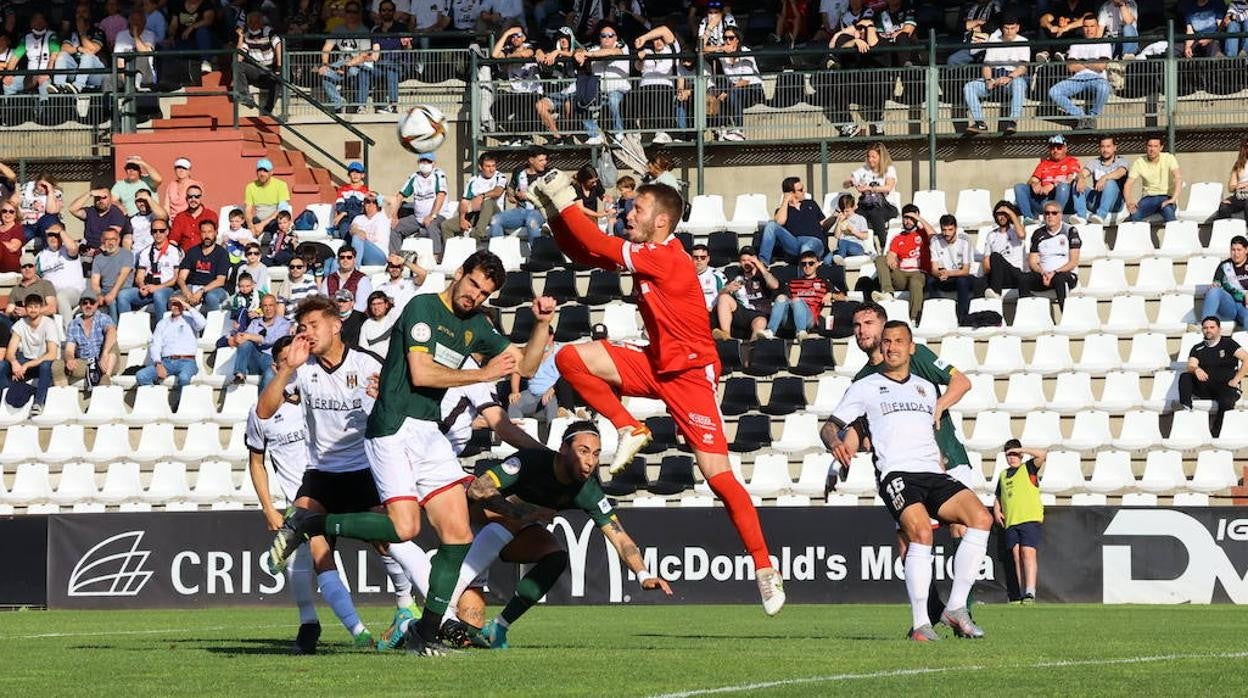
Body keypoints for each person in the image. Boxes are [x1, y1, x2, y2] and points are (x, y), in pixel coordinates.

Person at [530, 171, 787, 616]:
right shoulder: (648, 254)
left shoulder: (665, 257)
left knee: (718, 477)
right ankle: (628, 426)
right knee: (569, 358)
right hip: (656, 362)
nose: (629, 214)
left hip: (690, 375)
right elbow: (583, 251)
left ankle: (764, 567)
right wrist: (555, 214)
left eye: (639, 209)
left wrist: (565, 199)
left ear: (662, 221)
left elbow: (595, 241)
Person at [268, 255, 553, 657]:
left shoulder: (475, 325)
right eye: (473, 284)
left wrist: (540, 325)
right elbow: (421, 373)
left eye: (485, 293)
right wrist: (483, 373)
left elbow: (526, 364)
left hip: (428, 433)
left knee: (458, 535)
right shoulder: (423, 307)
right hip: (393, 428)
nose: (475, 296)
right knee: (404, 529)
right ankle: (310, 522)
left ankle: (426, 631)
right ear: (459, 274)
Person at [249, 303, 434, 652]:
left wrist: (386, 398)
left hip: (366, 469)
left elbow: (405, 405)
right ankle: (352, 631)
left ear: (336, 325)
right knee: (317, 546)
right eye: (302, 326)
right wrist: (287, 369)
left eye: (313, 324)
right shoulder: (303, 369)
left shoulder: (366, 363)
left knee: (390, 540)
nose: (306, 332)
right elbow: (264, 411)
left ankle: (420, 609)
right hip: (321, 473)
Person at [823, 320, 991, 641]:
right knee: (920, 533)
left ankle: (956, 607)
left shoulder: (926, 388)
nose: (892, 347)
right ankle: (921, 625)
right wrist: (835, 445)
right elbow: (832, 426)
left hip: (933, 472)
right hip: (897, 473)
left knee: (980, 518)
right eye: (887, 341)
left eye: (899, 341)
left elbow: (929, 423)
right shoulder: (865, 386)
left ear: (911, 347)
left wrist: (939, 457)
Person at [463, 423, 672, 649]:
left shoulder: (587, 490)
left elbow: (620, 537)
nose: (590, 461)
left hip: (509, 532)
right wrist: (525, 514)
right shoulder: (531, 461)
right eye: (583, 451)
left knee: (555, 558)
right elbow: (478, 490)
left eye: (596, 454)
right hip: (469, 530)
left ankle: (500, 626)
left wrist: (643, 574)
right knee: (465, 635)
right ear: (563, 449)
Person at [992, 439, 1047, 604]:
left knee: (1027, 553)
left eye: (1015, 454)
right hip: (1011, 520)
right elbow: (999, 496)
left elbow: (1042, 455)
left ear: (1021, 455)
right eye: (1008, 455)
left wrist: (1022, 449)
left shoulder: (1028, 468)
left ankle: (1030, 592)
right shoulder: (1003, 475)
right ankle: (1021, 592)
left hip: (1029, 518)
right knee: (1016, 556)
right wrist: (996, 510)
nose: (1012, 458)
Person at [1180, 316, 1248, 437]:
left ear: (1219, 329)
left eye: (1212, 327)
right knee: (1185, 376)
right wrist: (1196, 369)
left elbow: (1246, 358)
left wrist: (1236, 379)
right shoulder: (1197, 348)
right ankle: (1187, 410)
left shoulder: (1228, 343)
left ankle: (1216, 433)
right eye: (1205, 328)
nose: (1208, 330)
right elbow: (1191, 365)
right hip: (1205, 387)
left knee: (1226, 401)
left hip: (1226, 387)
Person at [963, 14, 1028, 136]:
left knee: (1019, 83)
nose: (1009, 31)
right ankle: (980, 123)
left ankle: (1012, 122)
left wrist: (1009, 77)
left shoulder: (1023, 41)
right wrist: (988, 80)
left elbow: (1022, 67)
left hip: (1011, 79)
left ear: (1017, 28)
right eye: (1006, 28)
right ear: (1002, 28)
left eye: (1012, 28)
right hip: (995, 78)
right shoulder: (994, 40)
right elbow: (987, 65)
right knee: (969, 86)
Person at [1048, 14, 1112, 130]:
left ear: (1097, 27)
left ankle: (1092, 116)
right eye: (1086, 26)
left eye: (1092, 26)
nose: (1089, 29)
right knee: (1054, 91)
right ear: (1082, 28)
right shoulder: (1077, 43)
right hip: (1078, 78)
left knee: (1104, 88)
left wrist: (1082, 62)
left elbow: (1101, 66)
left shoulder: (1104, 42)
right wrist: (1091, 63)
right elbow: (1071, 67)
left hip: (1097, 78)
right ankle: (1081, 116)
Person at [871, 204, 932, 322]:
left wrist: (919, 219)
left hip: (919, 273)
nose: (908, 221)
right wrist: (890, 257)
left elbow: (934, 235)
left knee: (915, 282)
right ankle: (888, 292)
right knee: (880, 258)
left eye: (911, 218)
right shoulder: (898, 237)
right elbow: (891, 254)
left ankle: (914, 318)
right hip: (901, 275)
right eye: (905, 218)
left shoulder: (923, 234)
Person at [0, 295, 59, 414]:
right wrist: (14, 362)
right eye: (30, 307)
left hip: (42, 362)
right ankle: (7, 395)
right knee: (2, 365)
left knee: (45, 365)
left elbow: (52, 354)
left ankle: (38, 402)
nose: (33, 310)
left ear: (41, 308)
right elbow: (10, 352)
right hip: (25, 360)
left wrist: (27, 365)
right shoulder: (20, 324)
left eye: (36, 307)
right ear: (25, 308)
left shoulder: (49, 324)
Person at [767, 250, 842, 341]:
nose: (807, 266)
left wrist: (831, 294)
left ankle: (801, 332)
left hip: (810, 319)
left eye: (811, 263)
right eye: (804, 264)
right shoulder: (792, 283)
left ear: (817, 264)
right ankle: (770, 331)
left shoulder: (824, 283)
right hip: (790, 319)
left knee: (796, 300)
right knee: (781, 297)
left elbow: (842, 296)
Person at [575, 21, 631, 144]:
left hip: (618, 89)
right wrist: (579, 53)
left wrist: (589, 54)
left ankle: (618, 132)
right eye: (603, 36)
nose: (607, 38)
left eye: (610, 35)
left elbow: (612, 52)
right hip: (598, 91)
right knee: (580, 101)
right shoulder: (594, 48)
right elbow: (580, 50)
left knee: (613, 100)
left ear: (616, 37)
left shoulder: (622, 46)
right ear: (599, 38)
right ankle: (594, 134)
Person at [1012, 134, 1085, 224]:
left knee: (1063, 186)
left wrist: (1052, 185)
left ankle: (1054, 216)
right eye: (1052, 147)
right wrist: (1035, 185)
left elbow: (1071, 178)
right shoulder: (1043, 164)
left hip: (1064, 201)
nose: (1055, 150)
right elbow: (1032, 180)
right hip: (1044, 200)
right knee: (1019, 187)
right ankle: (1029, 219)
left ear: (1065, 149)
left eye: (1059, 147)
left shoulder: (1071, 161)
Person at [707, 28, 764, 142]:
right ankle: (722, 128)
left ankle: (739, 130)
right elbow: (701, 50)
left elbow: (745, 81)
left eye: (731, 38)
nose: (727, 41)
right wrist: (720, 48)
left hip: (753, 89)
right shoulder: (723, 53)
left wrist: (727, 92)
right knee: (718, 93)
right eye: (725, 38)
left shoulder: (745, 52)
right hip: (735, 89)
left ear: (737, 40)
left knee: (731, 92)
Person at [713, 247, 780, 341]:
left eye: (749, 260)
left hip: (759, 313)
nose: (746, 263)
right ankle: (726, 336)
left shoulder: (763, 275)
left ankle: (753, 346)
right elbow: (720, 294)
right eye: (743, 260)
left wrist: (760, 266)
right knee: (724, 297)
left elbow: (774, 285)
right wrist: (727, 289)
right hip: (742, 311)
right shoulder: (735, 275)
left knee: (760, 322)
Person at [57, 289, 120, 387]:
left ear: (97, 304)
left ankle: (106, 378)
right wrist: (70, 359)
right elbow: (69, 349)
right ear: (80, 305)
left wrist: (104, 354)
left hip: (104, 361)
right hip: (85, 363)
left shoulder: (103, 318)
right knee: (57, 366)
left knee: (112, 342)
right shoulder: (73, 324)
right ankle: (64, 393)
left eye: (92, 302)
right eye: (85, 303)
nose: (88, 305)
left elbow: (112, 332)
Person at [759, 177, 830, 264]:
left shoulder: (811, 203)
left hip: (814, 242)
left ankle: (804, 269)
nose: (804, 191)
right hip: (794, 243)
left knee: (806, 247)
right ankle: (763, 263)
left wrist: (835, 216)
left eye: (803, 188)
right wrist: (785, 200)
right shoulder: (783, 209)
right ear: (791, 193)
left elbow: (824, 224)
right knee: (771, 225)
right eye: (800, 190)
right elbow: (779, 222)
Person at [318, 1, 375, 112]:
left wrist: (347, 65)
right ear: (344, 13)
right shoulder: (337, 29)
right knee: (324, 74)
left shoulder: (364, 31)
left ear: (359, 14)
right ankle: (338, 104)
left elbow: (363, 55)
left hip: (357, 64)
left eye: (354, 12)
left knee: (355, 72)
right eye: (349, 11)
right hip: (341, 63)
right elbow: (327, 48)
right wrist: (325, 64)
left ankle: (359, 105)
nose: (351, 14)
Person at [632, 25, 683, 144]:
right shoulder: (647, 51)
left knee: (661, 105)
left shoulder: (671, 49)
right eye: (655, 39)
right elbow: (638, 67)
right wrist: (640, 58)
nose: (658, 42)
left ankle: (664, 132)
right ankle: (646, 133)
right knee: (645, 109)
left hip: (664, 85)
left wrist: (644, 38)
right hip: (645, 86)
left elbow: (665, 30)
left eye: (660, 39)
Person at [137, 295, 202, 388]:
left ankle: (182, 397)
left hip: (187, 361)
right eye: (173, 304)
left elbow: (202, 323)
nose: (176, 307)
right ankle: (157, 394)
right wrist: (158, 364)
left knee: (184, 378)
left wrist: (187, 306)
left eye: (179, 304)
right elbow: (155, 344)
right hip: (167, 362)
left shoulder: (191, 320)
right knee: (142, 375)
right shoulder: (162, 323)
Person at [392, 152, 448, 257]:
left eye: (428, 162)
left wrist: (432, 215)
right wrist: (394, 216)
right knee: (395, 227)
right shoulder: (414, 177)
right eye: (422, 161)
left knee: (431, 225)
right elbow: (400, 196)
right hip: (418, 217)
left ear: (433, 163)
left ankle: (436, 256)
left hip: (437, 215)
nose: (425, 164)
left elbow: (441, 195)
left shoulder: (438, 175)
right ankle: (396, 257)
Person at [441, 153, 507, 243]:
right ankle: (452, 250)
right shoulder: (473, 180)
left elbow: (498, 192)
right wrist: (462, 219)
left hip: (495, 215)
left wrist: (482, 196)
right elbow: (464, 202)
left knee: (487, 202)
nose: (491, 169)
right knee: (446, 225)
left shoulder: (500, 177)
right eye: (488, 166)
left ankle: (478, 234)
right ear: (480, 167)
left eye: (493, 166)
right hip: (476, 215)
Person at [491, 25, 543, 138]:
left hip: (532, 93)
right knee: (496, 108)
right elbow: (494, 55)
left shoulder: (530, 46)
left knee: (523, 109)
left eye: (518, 35)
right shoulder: (508, 49)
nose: (515, 38)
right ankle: (514, 136)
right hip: (515, 93)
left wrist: (508, 57)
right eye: (512, 36)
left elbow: (525, 54)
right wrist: (506, 34)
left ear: (524, 37)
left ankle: (525, 137)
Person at [230, 293, 292, 388]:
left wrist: (251, 336)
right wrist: (239, 337)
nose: (268, 309)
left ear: (276, 306)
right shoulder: (255, 323)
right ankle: (239, 375)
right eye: (265, 306)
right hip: (254, 359)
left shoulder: (284, 324)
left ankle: (262, 397)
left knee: (269, 375)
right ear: (261, 308)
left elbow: (273, 340)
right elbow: (245, 337)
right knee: (246, 343)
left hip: (271, 359)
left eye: (271, 305)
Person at [1028, 201, 1082, 308]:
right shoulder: (1037, 233)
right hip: (1044, 275)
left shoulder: (1070, 230)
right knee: (1023, 280)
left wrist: (1054, 272)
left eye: (1054, 213)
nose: (1050, 216)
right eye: (1047, 213)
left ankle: (1066, 315)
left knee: (1059, 279)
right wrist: (1043, 272)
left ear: (1060, 215)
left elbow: (1073, 262)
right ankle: (1026, 315)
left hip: (1065, 274)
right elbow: (1032, 262)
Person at [843, 142, 899, 245]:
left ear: (881, 157)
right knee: (856, 215)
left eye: (873, 157)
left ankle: (884, 244)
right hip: (867, 205)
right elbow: (845, 184)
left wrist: (870, 188)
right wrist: (851, 182)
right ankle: (864, 245)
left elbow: (888, 187)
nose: (870, 159)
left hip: (886, 206)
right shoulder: (864, 169)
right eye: (869, 156)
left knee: (875, 212)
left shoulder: (889, 169)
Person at [928, 214, 978, 323]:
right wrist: (940, 274)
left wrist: (948, 273)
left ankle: (963, 318)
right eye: (944, 230)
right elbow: (934, 269)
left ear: (956, 228)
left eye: (950, 229)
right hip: (946, 276)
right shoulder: (935, 240)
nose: (947, 233)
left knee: (962, 281)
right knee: (930, 281)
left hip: (966, 277)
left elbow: (965, 271)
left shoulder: (965, 240)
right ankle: (937, 317)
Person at [490, 147, 547, 240]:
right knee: (495, 220)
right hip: (521, 210)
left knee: (531, 222)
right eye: (541, 160)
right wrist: (512, 194)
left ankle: (536, 249)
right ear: (531, 160)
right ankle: (499, 248)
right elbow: (511, 188)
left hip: (539, 211)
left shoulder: (547, 173)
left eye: (545, 159)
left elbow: (551, 197)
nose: (544, 162)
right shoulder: (519, 171)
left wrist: (528, 196)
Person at [1124, 135, 1183, 223]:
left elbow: (1178, 178)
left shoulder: (1169, 158)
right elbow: (1128, 185)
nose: (1152, 149)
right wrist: (1129, 202)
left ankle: (1175, 232)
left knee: (1168, 211)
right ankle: (1141, 232)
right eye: (1150, 146)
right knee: (1134, 214)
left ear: (1161, 148)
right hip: (1148, 198)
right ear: (1146, 147)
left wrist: (1173, 199)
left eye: (1155, 146)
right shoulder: (1139, 162)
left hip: (1167, 196)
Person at [176, 219, 231, 312]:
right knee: (175, 300)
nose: (206, 235)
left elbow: (220, 281)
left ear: (216, 233)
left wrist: (201, 291)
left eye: (209, 232)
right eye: (203, 232)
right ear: (200, 234)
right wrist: (186, 292)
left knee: (211, 297)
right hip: (192, 286)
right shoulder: (193, 251)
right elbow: (181, 278)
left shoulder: (222, 253)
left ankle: (213, 321)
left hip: (214, 288)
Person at [235, 11, 282, 114]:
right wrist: (240, 37)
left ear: (261, 23)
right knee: (237, 65)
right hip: (255, 70)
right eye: (250, 22)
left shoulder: (268, 31)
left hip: (269, 69)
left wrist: (279, 66)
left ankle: (267, 110)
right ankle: (246, 98)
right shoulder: (247, 34)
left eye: (256, 22)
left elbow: (278, 44)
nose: (253, 24)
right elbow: (239, 57)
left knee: (277, 80)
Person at [981, 200, 1030, 298]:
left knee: (995, 256)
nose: (1002, 217)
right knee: (978, 282)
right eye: (999, 214)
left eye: (1005, 214)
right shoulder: (991, 235)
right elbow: (986, 264)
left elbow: (1022, 235)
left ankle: (996, 293)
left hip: (1015, 274)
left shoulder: (1015, 230)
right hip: (998, 275)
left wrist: (1010, 212)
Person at [37, 223, 87, 321]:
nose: (53, 238)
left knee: (61, 297)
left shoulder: (67, 250)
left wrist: (60, 231)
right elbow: (36, 276)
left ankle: (68, 329)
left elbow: (73, 248)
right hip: (50, 295)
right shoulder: (41, 255)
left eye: (56, 235)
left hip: (73, 292)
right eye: (50, 235)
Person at [370, 0, 411, 114]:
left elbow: (409, 48)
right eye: (384, 10)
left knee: (391, 69)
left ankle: (393, 105)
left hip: (399, 65)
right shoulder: (376, 31)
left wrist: (407, 43)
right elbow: (376, 53)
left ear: (394, 12)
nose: (387, 12)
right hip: (381, 65)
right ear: (379, 12)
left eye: (389, 10)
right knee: (364, 70)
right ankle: (361, 106)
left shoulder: (402, 28)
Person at [66, 182, 130, 254]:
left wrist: (95, 252)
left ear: (111, 198)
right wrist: (89, 193)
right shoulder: (91, 211)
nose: (100, 200)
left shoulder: (116, 214)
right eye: (97, 197)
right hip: (86, 249)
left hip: (106, 252)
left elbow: (111, 239)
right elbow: (72, 209)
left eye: (104, 197)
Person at [1079, 134, 1129, 224]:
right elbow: (1083, 173)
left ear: (1115, 148)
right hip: (1096, 201)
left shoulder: (1121, 161)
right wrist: (1080, 179)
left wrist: (1104, 178)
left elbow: (1120, 172)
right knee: (1077, 182)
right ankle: (1080, 216)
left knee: (1110, 183)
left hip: (1115, 203)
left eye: (1108, 146)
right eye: (1102, 146)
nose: (1105, 150)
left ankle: (1100, 216)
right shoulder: (1094, 162)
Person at [61, 3, 109, 92]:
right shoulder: (72, 32)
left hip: (96, 74)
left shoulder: (98, 32)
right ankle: (59, 86)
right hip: (77, 70)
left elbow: (93, 49)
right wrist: (78, 48)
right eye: (78, 12)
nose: (80, 15)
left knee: (87, 56)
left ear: (90, 15)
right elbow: (64, 48)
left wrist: (82, 32)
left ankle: (77, 86)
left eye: (84, 12)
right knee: (62, 55)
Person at [90, 226, 135, 321]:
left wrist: (112, 294)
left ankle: (117, 327)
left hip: (123, 289)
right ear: (102, 241)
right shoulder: (98, 259)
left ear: (118, 240)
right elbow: (95, 283)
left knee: (113, 300)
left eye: (113, 239)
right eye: (107, 239)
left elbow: (122, 276)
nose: (110, 243)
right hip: (105, 291)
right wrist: (98, 295)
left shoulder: (127, 254)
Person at [1205, 235, 1248, 326]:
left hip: (1245, 307)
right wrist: (1215, 285)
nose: (1236, 254)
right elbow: (1216, 282)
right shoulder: (1224, 265)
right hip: (1229, 306)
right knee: (1214, 291)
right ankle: (1206, 324)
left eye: (1239, 250)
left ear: (1246, 250)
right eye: (1233, 250)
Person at [244, 158, 291, 237]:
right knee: (240, 226)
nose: (262, 174)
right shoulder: (250, 187)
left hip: (274, 219)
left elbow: (281, 208)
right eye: (259, 171)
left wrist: (262, 224)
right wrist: (250, 226)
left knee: (278, 225)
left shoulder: (281, 185)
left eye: (265, 171)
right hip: (259, 219)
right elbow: (248, 210)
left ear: (271, 172)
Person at [111, 8, 157, 89]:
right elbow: (119, 61)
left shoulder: (150, 35)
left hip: (146, 76)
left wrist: (135, 35)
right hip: (125, 75)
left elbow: (145, 53)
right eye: (133, 20)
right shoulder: (121, 35)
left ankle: (135, 84)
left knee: (140, 56)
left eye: (138, 20)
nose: (136, 23)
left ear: (144, 22)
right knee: (107, 79)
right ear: (129, 21)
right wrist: (125, 80)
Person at [825, 193, 871, 270]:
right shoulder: (841, 219)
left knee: (843, 242)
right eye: (843, 211)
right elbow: (837, 236)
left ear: (853, 207)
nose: (845, 213)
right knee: (826, 260)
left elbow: (865, 236)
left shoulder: (860, 219)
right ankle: (839, 262)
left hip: (857, 247)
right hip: (842, 248)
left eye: (847, 211)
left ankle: (840, 258)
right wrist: (839, 222)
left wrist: (853, 231)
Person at [1209, 137, 1248, 224]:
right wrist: (1238, 187)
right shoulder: (1239, 164)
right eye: (1246, 146)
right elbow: (1231, 187)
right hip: (1240, 197)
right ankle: (1227, 229)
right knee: (1224, 206)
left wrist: (1244, 184)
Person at [321, 246, 371, 312]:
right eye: (342, 257)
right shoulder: (328, 279)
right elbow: (324, 303)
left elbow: (361, 306)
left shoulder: (363, 279)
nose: (345, 260)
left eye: (349, 257)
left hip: (355, 316)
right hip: (332, 315)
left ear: (354, 260)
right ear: (338, 260)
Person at [347, 193, 392, 266]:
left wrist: (378, 196)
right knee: (335, 263)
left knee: (357, 237)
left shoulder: (384, 215)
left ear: (378, 203)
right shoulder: (358, 218)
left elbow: (393, 202)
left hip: (379, 255)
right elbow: (352, 230)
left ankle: (354, 268)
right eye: (368, 202)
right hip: (362, 255)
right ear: (364, 204)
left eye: (374, 202)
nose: (371, 204)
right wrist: (358, 231)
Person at [7, 253, 55, 319]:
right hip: (21, 322)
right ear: (20, 269)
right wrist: (14, 313)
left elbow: (52, 308)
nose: (27, 269)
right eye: (24, 266)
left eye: (30, 266)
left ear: (35, 268)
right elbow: (8, 311)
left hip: (41, 321)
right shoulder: (16, 289)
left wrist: (28, 312)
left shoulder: (46, 284)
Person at [169, 184, 216, 251]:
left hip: (205, 254)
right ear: (186, 198)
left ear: (201, 198)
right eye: (190, 197)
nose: (193, 199)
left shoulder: (211, 215)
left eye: (197, 197)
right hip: (185, 254)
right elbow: (173, 240)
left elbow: (214, 238)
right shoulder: (180, 217)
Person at [333, 162, 370, 241]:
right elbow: (340, 206)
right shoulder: (342, 190)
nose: (355, 175)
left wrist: (345, 213)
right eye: (352, 172)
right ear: (349, 175)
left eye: (358, 172)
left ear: (362, 175)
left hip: (359, 219)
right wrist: (342, 213)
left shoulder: (366, 192)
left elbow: (363, 210)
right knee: (345, 228)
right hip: (345, 220)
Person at [358, 290, 399, 358]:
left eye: (379, 304)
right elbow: (363, 349)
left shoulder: (394, 319)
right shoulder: (366, 324)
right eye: (373, 304)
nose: (376, 307)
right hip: (373, 361)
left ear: (386, 305)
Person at [281, 255, 319, 321]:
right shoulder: (284, 286)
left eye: (299, 267)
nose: (295, 269)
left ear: (304, 269)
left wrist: (297, 324)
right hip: (287, 322)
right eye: (292, 267)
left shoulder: (310, 285)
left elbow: (312, 308)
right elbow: (280, 309)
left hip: (304, 321)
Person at [692, 243, 725, 314]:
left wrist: (714, 308)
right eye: (696, 257)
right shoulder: (685, 275)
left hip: (712, 312)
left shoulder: (717, 275)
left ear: (708, 259)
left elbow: (724, 295)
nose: (699, 260)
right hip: (692, 312)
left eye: (703, 257)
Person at [0, 202, 21, 273]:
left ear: (15, 215)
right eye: (4, 211)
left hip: (10, 263)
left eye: (11, 212)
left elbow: (13, 247)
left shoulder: (17, 229)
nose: (7, 214)